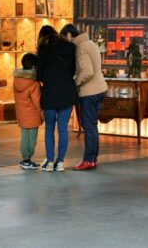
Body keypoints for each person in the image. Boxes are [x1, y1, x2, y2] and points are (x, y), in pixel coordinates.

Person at [60, 24, 107, 171]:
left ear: (69, 35)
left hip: (89, 92)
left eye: (64, 38)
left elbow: (87, 71)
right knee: (92, 126)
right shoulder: (90, 43)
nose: (65, 42)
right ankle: (92, 159)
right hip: (100, 89)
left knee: (88, 126)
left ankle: (88, 160)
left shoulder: (80, 48)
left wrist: (75, 83)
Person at [36, 25, 78, 172]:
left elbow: (39, 75)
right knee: (63, 129)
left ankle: (49, 162)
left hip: (50, 93)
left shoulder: (43, 49)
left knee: (49, 129)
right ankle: (60, 162)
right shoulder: (70, 47)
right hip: (67, 92)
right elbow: (73, 70)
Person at [13, 53, 43, 170]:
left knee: (24, 136)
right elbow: (37, 101)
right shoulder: (34, 83)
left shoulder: (17, 79)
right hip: (33, 115)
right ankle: (27, 159)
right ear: (34, 67)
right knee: (32, 138)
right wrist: (42, 112)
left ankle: (25, 158)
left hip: (21, 114)